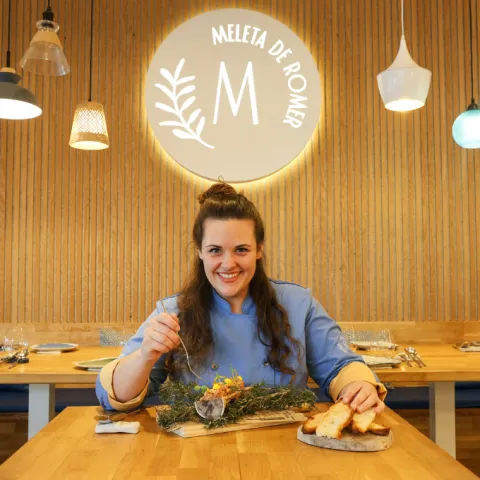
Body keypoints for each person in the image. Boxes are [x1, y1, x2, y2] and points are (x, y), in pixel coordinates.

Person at [96, 183, 386, 414]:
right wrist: (146, 355)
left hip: (285, 447)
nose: (228, 263)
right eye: (215, 250)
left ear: (259, 249)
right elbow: (115, 397)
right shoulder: (174, 311)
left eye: (241, 250)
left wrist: (359, 385)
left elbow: (340, 366)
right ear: (199, 251)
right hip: (196, 453)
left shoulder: (297, 303)